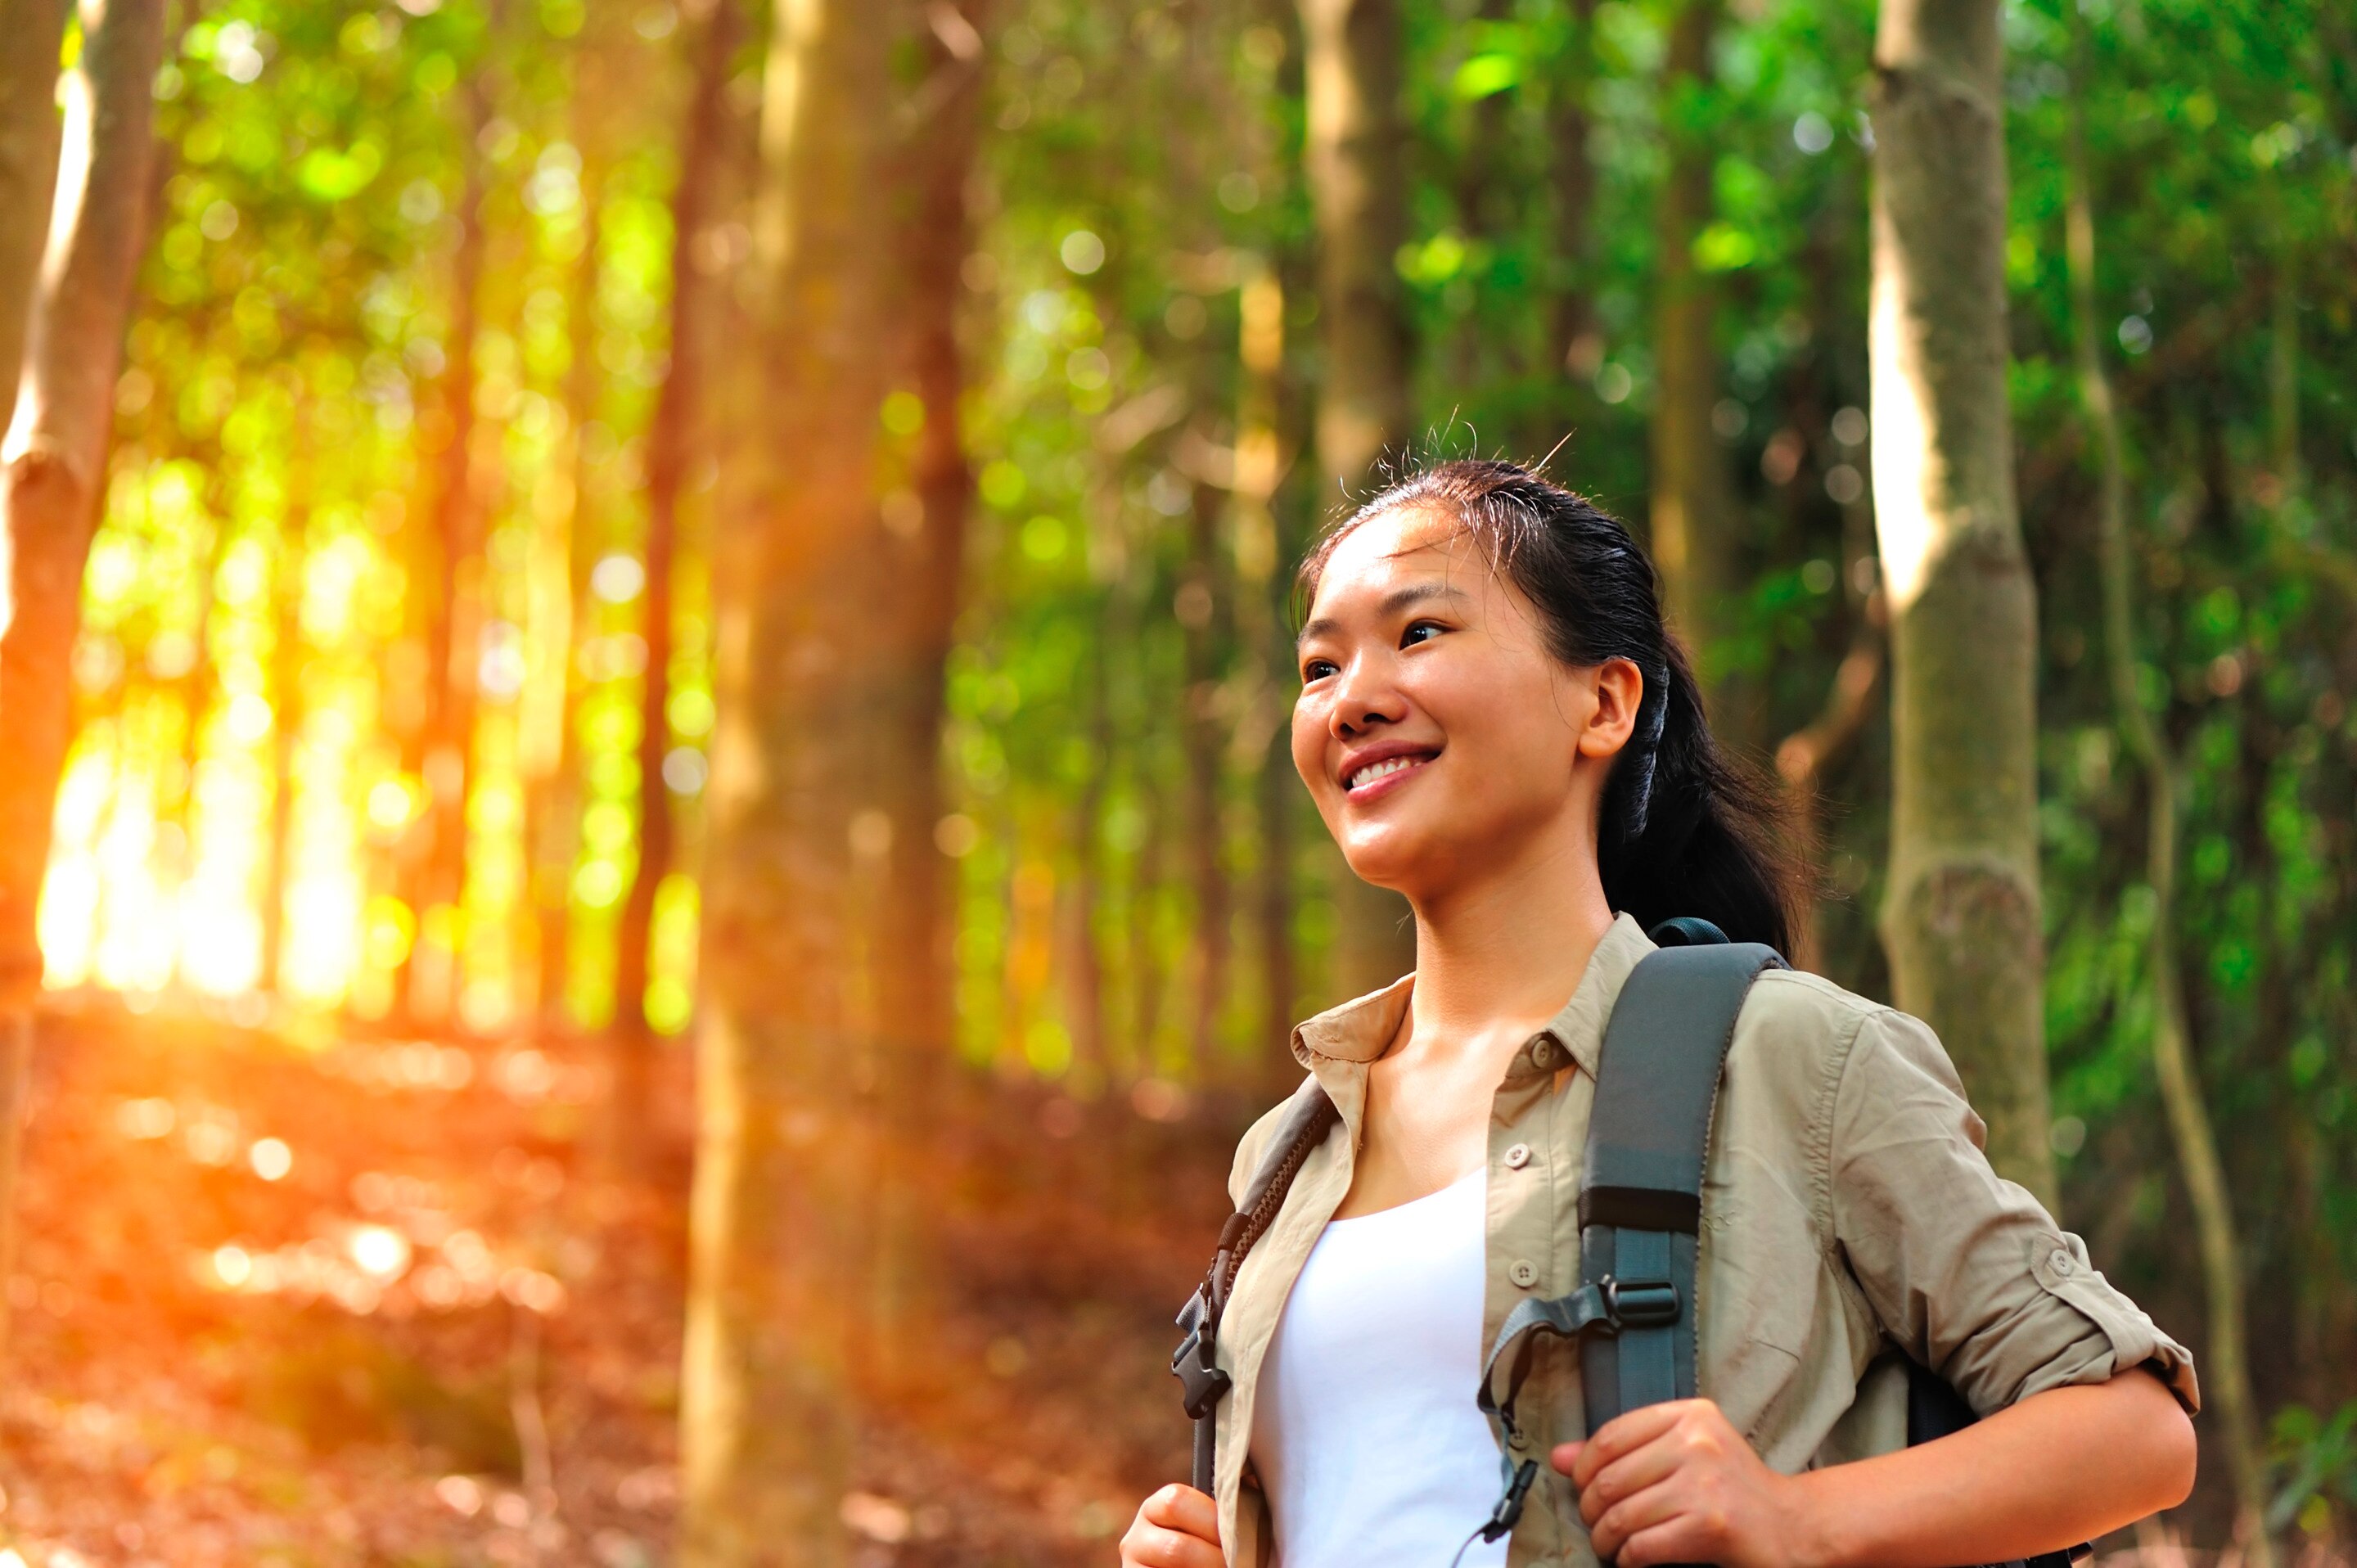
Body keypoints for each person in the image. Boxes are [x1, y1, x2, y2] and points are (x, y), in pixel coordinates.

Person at [1118, 460, 2198, 1568]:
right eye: (1320, 665)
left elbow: (2136, 1428)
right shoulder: (1289, 1150)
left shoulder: (1787, 1056)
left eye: (1421, 632)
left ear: (1604, 704)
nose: (1352, 698)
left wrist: (1797, 1519)